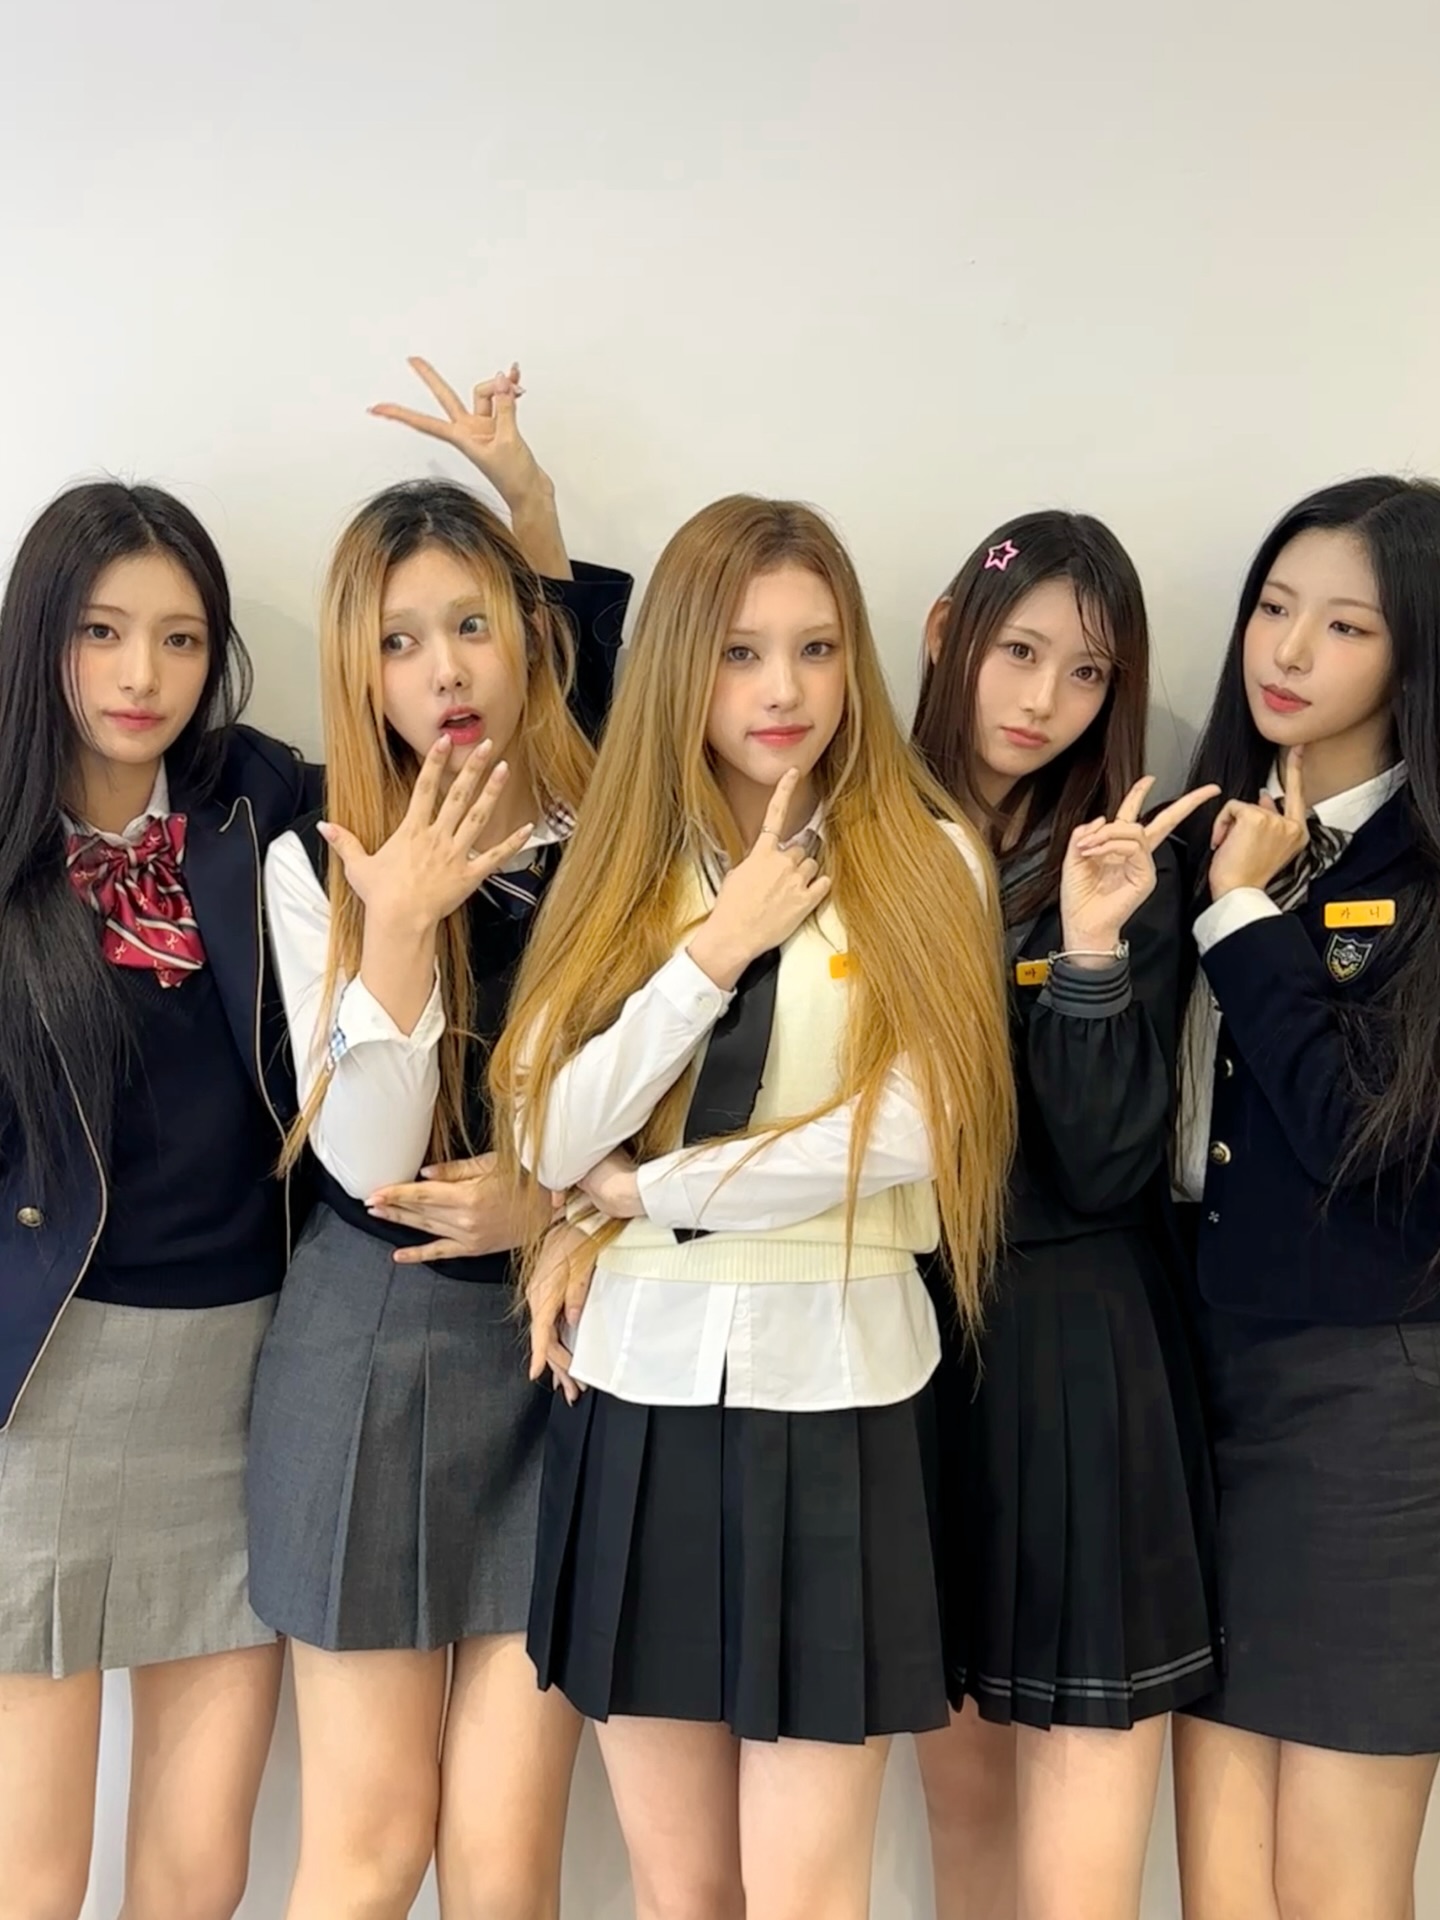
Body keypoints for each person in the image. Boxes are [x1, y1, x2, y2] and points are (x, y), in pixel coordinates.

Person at [491, 493, 1016, 1920]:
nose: (783, 688)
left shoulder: (927, 853)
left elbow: (920, 1128)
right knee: (681, 1890)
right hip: (641, 1396)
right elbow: (546, 1129)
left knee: (806, 1893)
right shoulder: (619, 861)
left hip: (844, 1398)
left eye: (816, 647)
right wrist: (712, 954)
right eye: (740, 651)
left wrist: (652, 1189)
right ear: (679, 662)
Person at [247, 359, 631, 1920]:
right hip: (376, 1351)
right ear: (361, 670)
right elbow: (366, 1165)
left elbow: (672, 1096)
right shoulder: (318, 857)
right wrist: (398, 928)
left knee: (504, 1852)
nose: (444, 669)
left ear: (528, 634)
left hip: (565, 1347)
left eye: (471, 624)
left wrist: (560, 1208)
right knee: (368, 1846)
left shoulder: (609, 838)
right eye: (399, 641)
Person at [0, 480, 314, 1920]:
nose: (143, 676)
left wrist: (542, 540)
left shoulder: (263, 808)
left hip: (251, 1379)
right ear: (40, 638)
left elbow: (501, 742)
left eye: (181, 639)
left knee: (198, 1873)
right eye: (103, 631)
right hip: (47, 1379)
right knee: (31, 1874)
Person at [908, 510, 1221, 1920]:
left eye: (1087, 672)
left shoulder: (1123, 861)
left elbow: (1105, 1167)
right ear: (945, 634)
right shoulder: (864, 835)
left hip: (1080, 1349)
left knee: (1079, 1872)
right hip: (905, 1351)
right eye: (1019, 650)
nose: (1044, 698)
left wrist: (1089, 949)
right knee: (963, 1822)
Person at [1171, 476, 1440, 1920]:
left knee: (1337, 1885)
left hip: (1370, 1400)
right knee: (1221, 1881)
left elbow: (1360, 1136)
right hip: (1194, 1385)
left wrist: (1241, 918)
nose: (1288, 652)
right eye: (1275, 608)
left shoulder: (1421, 871)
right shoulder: (1191, 830)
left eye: (1346, 626)